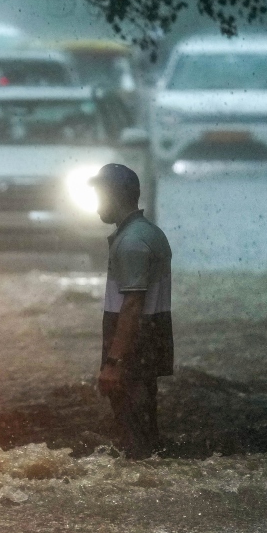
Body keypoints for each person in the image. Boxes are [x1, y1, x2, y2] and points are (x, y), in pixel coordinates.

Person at [92, 163, 173, 459]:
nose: (97, 204)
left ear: (114, 196)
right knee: (144, 424)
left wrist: (114, 361)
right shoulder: (149, 233)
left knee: (132, 431)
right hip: (150, 341)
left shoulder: (132, 242)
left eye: (100, 195)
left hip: (132, 347)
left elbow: (133, 303)